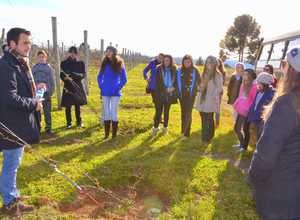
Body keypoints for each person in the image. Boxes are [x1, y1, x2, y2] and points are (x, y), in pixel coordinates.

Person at [248, 46, 300, 220]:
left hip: (282, 194)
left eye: (284, 64)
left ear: (291, 71)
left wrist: (254, 178)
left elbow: (267, 153)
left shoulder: (287, 104)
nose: (281, 68)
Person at [0, 28, 42, 215]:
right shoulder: (6, 66)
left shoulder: (18, 63)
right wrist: (34, 103)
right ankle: (10, 203)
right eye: (25, 43)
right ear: (12, 44)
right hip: (11, 125)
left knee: (12, 163)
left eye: (30, 43)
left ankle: (12, 195)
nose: (29, 47)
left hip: (14, 123)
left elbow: (17, 90)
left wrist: (36, 89)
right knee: (11, 164)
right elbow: (9, 98)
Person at [97, 46, 127, 139]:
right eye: (107, 51)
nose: (108, 53)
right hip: (105, 91)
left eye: (110, 51)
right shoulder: (104, 63)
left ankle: (114, 134)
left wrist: (117, 88)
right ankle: (106, 134)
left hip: (115, 92)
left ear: (114, 52)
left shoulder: (119, 63)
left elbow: (124, 79)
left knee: (113, 112)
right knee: (106, 112)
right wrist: (101, 86)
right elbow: (99, 76)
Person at [195, 56, 223, 143]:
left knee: (209, 118)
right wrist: (199, 88)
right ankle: (206, 136)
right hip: (202, 99)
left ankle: (207, 137)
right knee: (203, 117)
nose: (208, 64)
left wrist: (212, 96)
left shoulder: (217, 75)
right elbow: (201, 84)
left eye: (210, 62)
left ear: (214, 64)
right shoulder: (204, 73)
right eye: (207, 62)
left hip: (211, 100)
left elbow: (219, 88)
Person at [60, 46, 87, 129]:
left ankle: (79, 122)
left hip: (77, 86)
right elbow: (61, 74)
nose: (72, 54)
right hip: (68, 86)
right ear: (69, 53)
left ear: (76, 54)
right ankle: (68, 123)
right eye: (71, 52)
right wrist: (65, 78)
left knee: (77, 105)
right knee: (68, 106)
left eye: (74, 53)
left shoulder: (81, 63)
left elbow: (83, 75)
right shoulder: (63, 63)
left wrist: (73, 75)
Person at [152, 54, 178, 135]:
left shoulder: (174, 69)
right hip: (160, 94)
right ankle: (155, 129)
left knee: (167, 112)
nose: (166, 62)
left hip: (170, 94)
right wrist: (165, 89)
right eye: (165, 60)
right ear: (163, 61)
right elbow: (156, 82)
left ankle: (165, 128)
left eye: (168, 60)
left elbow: (177, 82)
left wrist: (173, 88)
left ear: (171, 61)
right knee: (158, 112)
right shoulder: (158, 68)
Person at [233, 69, 257, 152]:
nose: (244, 76)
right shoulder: (243, 84)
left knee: (244, 129)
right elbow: (240, 96)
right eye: (244, 74)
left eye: (246, 74)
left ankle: (244, 147)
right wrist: (237, 104)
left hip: (247, 111)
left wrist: (249, 109)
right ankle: (242, 144)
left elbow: (254, 100)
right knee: (237, 128)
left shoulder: (254, 86)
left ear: (250, 76)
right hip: (240, 109)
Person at [177, 55, 201, 137]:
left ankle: (187, 133)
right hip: (181, 95)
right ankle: (183, 130)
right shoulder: (179, 70)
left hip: (191, 96)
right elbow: (176, 82)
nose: (187, 63)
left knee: (188, 113)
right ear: (183, 62)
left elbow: (200, 81)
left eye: (188, 62)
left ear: (191, 62)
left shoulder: (195, 70)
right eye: (185, 61)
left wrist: (200, 89)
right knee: (183, 113)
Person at [32, 50, 55, 134]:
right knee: (37, 111)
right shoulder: (34, 68)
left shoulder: (48, 68)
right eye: (39, 57)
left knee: (47, 110)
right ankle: (38, 127)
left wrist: (50, 91)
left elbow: (52, 81)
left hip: (46, 93)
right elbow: (31, 80)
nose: (41, 59)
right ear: (37, 58)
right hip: (36, 94)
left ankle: (48, 127)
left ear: (46, 58)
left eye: (43, 57)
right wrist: (34, 89)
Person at [247, 72, 275, 141]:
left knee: (260, 137)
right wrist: (250, 113)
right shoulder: (259, 91)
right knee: (255, 137)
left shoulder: (271, 94)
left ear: (265, 84)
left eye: (259, 83)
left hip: (262, 121)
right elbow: (255, 104)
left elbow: (264, 109)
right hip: (255, 118)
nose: (257, 84)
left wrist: (255, 118)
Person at [216, 50, 228, 127]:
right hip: (218, 91)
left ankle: (217, 123)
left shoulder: (222, 73)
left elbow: (222, 83)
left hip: (219, 91)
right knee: (215, 107)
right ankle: (215, 122)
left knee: (217, 108)